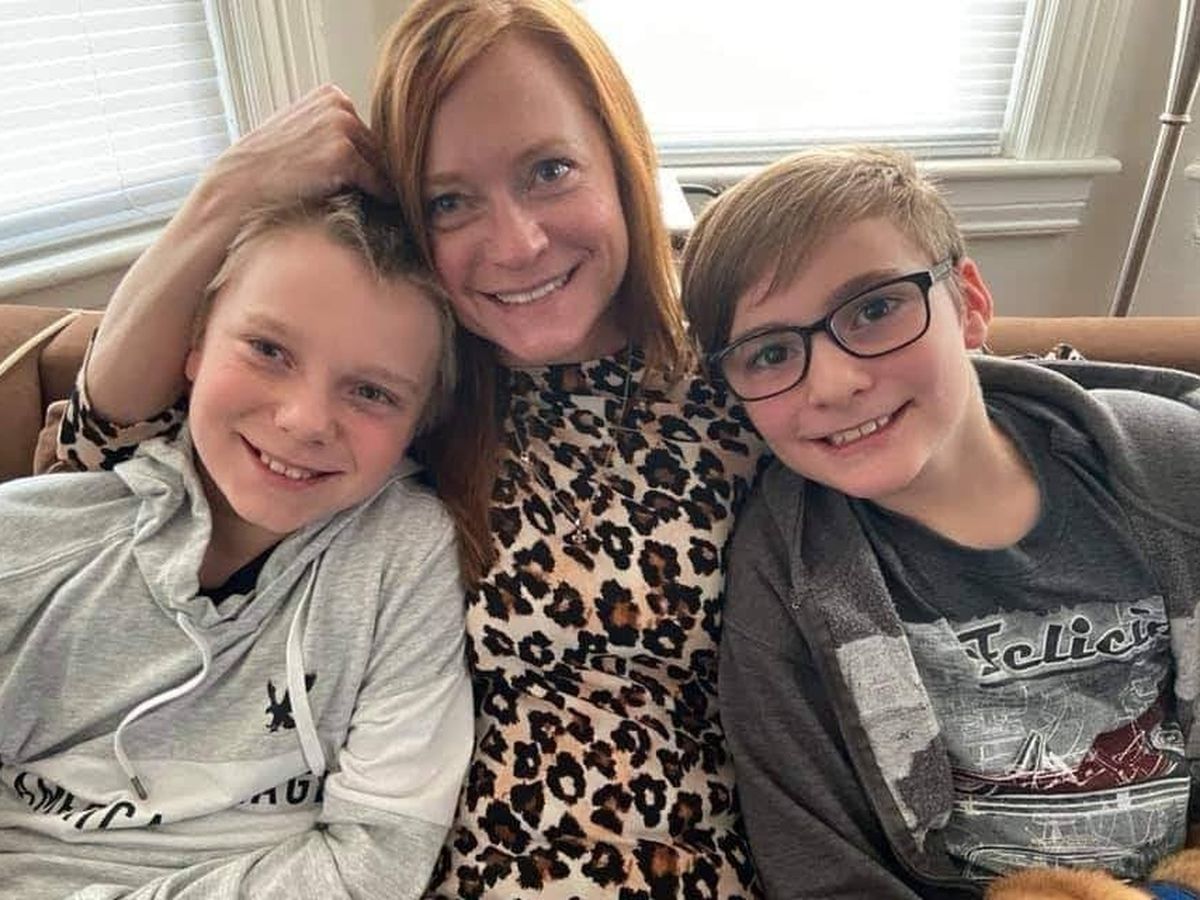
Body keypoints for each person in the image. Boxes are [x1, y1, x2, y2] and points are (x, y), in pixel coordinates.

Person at [40, 0, 766, 895]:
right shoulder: (402, 381)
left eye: (549, 170)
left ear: (620, 159)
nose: (517, 243)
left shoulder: (741, 374)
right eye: (450, 201)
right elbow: (98, 456)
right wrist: (227, 191)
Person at [681, 146, 1200, 899]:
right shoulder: (784, 570)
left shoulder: (1167, 464)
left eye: (874, 309)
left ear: (969, 304)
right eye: (769, 353)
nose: (835, 382)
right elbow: (819, 864)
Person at [0, 192, 474, 898]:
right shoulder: (26, 542)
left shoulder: (403, 558)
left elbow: (378, 856)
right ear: (194, 345)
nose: (306, 420)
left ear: (420, 422)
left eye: (372, 393)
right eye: (269, 350)